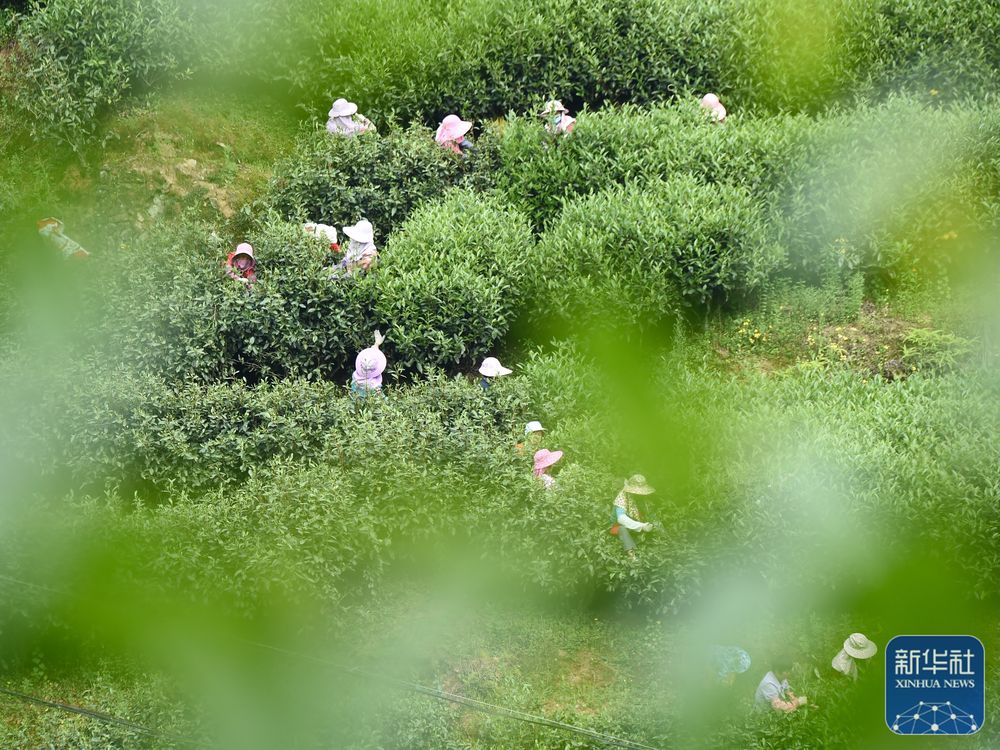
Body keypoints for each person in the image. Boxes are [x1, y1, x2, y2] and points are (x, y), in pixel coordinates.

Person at [610, 474, 655, 558]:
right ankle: (632, 556)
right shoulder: (622, 498)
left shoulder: (639, 498)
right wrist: (641, 526)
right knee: (622, 529)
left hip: (635, 522)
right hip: (618, 525)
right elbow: (621, 518)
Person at [351, 330, 387, 400]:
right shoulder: (374, 385)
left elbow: (369, 357)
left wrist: (376, 344)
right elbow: (382, 400)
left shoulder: (355, 378)